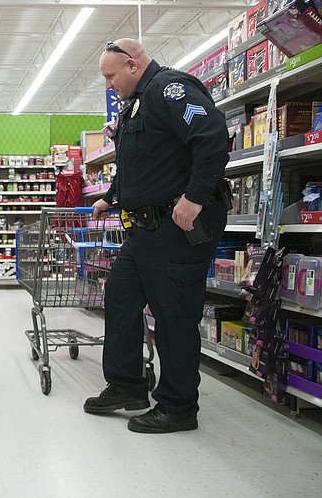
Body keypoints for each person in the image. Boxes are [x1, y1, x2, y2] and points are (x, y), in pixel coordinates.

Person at [84, 38, 230, 433]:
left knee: (173, 317)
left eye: (111, 76)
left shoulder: (170, 90)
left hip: (177, 229)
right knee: (119, 295)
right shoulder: (136, 104)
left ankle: (179, 407)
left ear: (133, 64)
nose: (109, 85)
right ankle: (127, 385)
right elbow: (142, 163)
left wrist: (195, 197)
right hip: (146, 229)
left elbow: (214, 137)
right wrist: (112, 197)